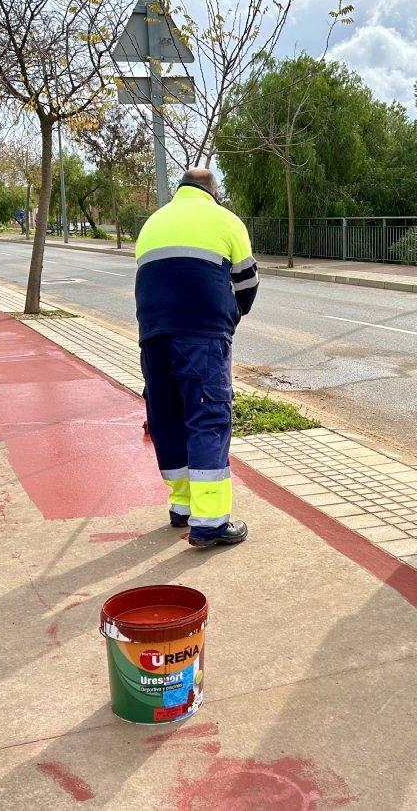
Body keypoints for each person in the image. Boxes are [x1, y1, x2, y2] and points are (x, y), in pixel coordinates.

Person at [134, 167, 258, 548]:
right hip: (202, 337)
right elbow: (247, 285)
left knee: (168, 419)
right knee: (207, 418)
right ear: (214, 192)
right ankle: (210, 524)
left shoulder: (153, 222)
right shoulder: (226, 220)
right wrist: (230, 316)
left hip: (153, 336)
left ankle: (182, 509)